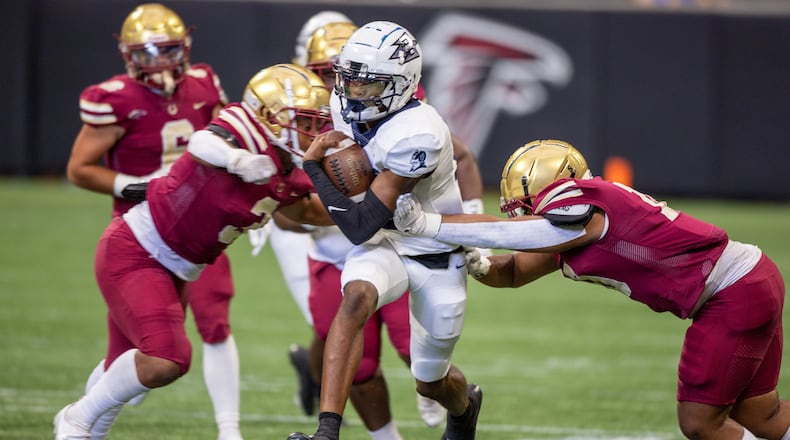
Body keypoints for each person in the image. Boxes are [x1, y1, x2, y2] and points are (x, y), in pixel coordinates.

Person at [393, 139, 790, 440]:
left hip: (731, 292)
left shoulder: (581, 205)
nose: (525, 212)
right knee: (762, 415)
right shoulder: (573, 228)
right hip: (751, 280)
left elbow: (531, 232)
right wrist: (479, 264)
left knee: (699, 423)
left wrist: (434, 225)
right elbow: (513, 270)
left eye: (528, 203)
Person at [54, 63, 335, 440]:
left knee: (119, 367)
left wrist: (371, 211)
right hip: (138, 249)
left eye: (317, 122)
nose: (313, 132)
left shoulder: (291, 170)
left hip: (177, 267)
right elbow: (203, 142)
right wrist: (236, 160)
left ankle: (84, 427)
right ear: (267, 118)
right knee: (167, 359)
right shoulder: (242, 131)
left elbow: (307, 212)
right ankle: (76, 418)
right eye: (304, 121)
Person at [287, 21, 483, 440]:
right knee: (355, 297)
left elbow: (358, 226)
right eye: (350, 81)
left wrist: (313, 169)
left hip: (435, 247)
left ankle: (464, 409)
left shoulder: (420, 133)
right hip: (388, 240)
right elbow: (368, 230)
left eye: (368, 85)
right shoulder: (345, 105)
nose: (354, 93)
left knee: (430, 380)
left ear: (403, 83)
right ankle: (327, 431)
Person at [64, 4, 242, 439]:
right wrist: (130, 184)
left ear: (184, 49)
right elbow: (79, 169)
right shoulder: (114, 98)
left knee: (213, 322)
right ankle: (79, 423)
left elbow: (231, 138)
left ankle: (229, 429)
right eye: (146, 54)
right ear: (128, 56)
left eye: (165, 52)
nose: (158, 64)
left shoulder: (202, 83)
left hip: (198, 231)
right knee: (134, 359)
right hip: (139, 236)